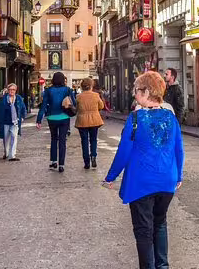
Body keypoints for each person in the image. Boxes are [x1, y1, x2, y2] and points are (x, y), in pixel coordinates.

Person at [103, 72, 184, 269]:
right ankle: (162, 266)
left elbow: (124, 151)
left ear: (146, 92)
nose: (134, 95)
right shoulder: (170, 117)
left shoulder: (136, 118)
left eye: (136, 91)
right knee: (160, 223)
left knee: (143, 230)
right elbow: (178, 149)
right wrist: (179, 175)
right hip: (167, 180)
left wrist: (111, 176)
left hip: (142, 182)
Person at [37, 72, 75, 172]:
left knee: (54, 139)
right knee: (62, 141)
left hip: (52, 118)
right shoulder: (67, 90)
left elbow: (43, 106)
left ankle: (53, 161)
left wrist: (39, 120)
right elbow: (74, 103)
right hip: (64, 117)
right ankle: (61, 164)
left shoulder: (48, 90)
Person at [75, 77, 104, 169]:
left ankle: (86, 162)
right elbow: (101, 106)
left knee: (84, 141)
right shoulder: (96, 95)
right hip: (94, 120)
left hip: (82, 121)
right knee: (93, 140)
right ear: (91, 86)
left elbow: (76, 109)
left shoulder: (78, 97)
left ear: (82, 87)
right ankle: (94, 156)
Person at [0, 83, 27, 162]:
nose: (11, 91)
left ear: (15, 90)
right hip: (5, 122)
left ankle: (12, 155)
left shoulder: (19, 98)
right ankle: (6, 153)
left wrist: (23, 117)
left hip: (15, 122)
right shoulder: (3, 99)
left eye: (13, 89)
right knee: (6, 139)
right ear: (7, 90)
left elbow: (23, 108)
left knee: (14, 137)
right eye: (10, 89)